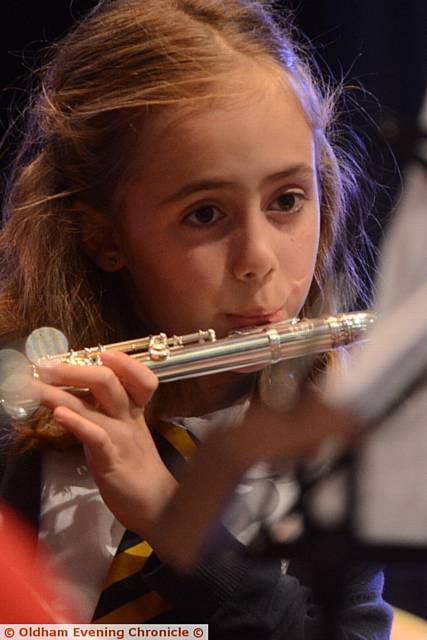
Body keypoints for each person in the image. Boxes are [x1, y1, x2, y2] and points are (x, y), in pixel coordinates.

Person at [0, 0, 392, 636]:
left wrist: (173, 517)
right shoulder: (23, 416)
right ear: (105, 235)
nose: (259, 260)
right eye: (205, 214)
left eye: (288, 200)